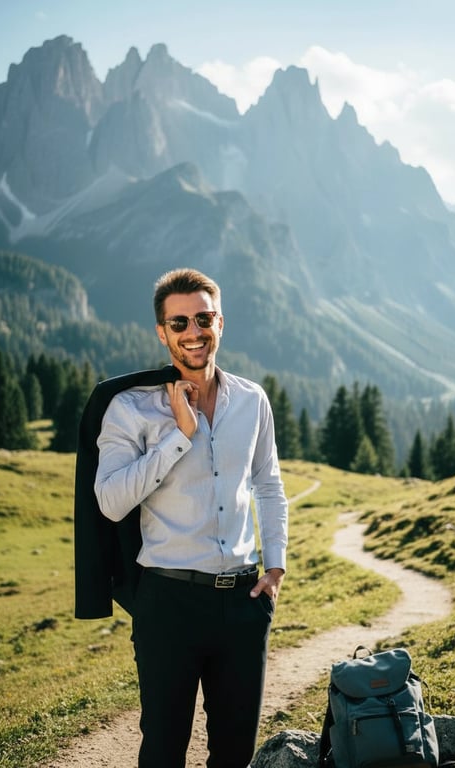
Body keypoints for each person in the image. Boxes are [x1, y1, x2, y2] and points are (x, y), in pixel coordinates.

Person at [94, 267, 288, 768]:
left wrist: (276, 566)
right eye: (178, 323)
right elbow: (111, 501)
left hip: (245, 603)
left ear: (220, 322)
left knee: (234, 751)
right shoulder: (130, 409)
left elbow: (267, 483)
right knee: (163, 747)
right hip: (167, 602)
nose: (193, 332)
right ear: (162, 332)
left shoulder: (252, 400)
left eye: (203, 318)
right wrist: (178, 436)